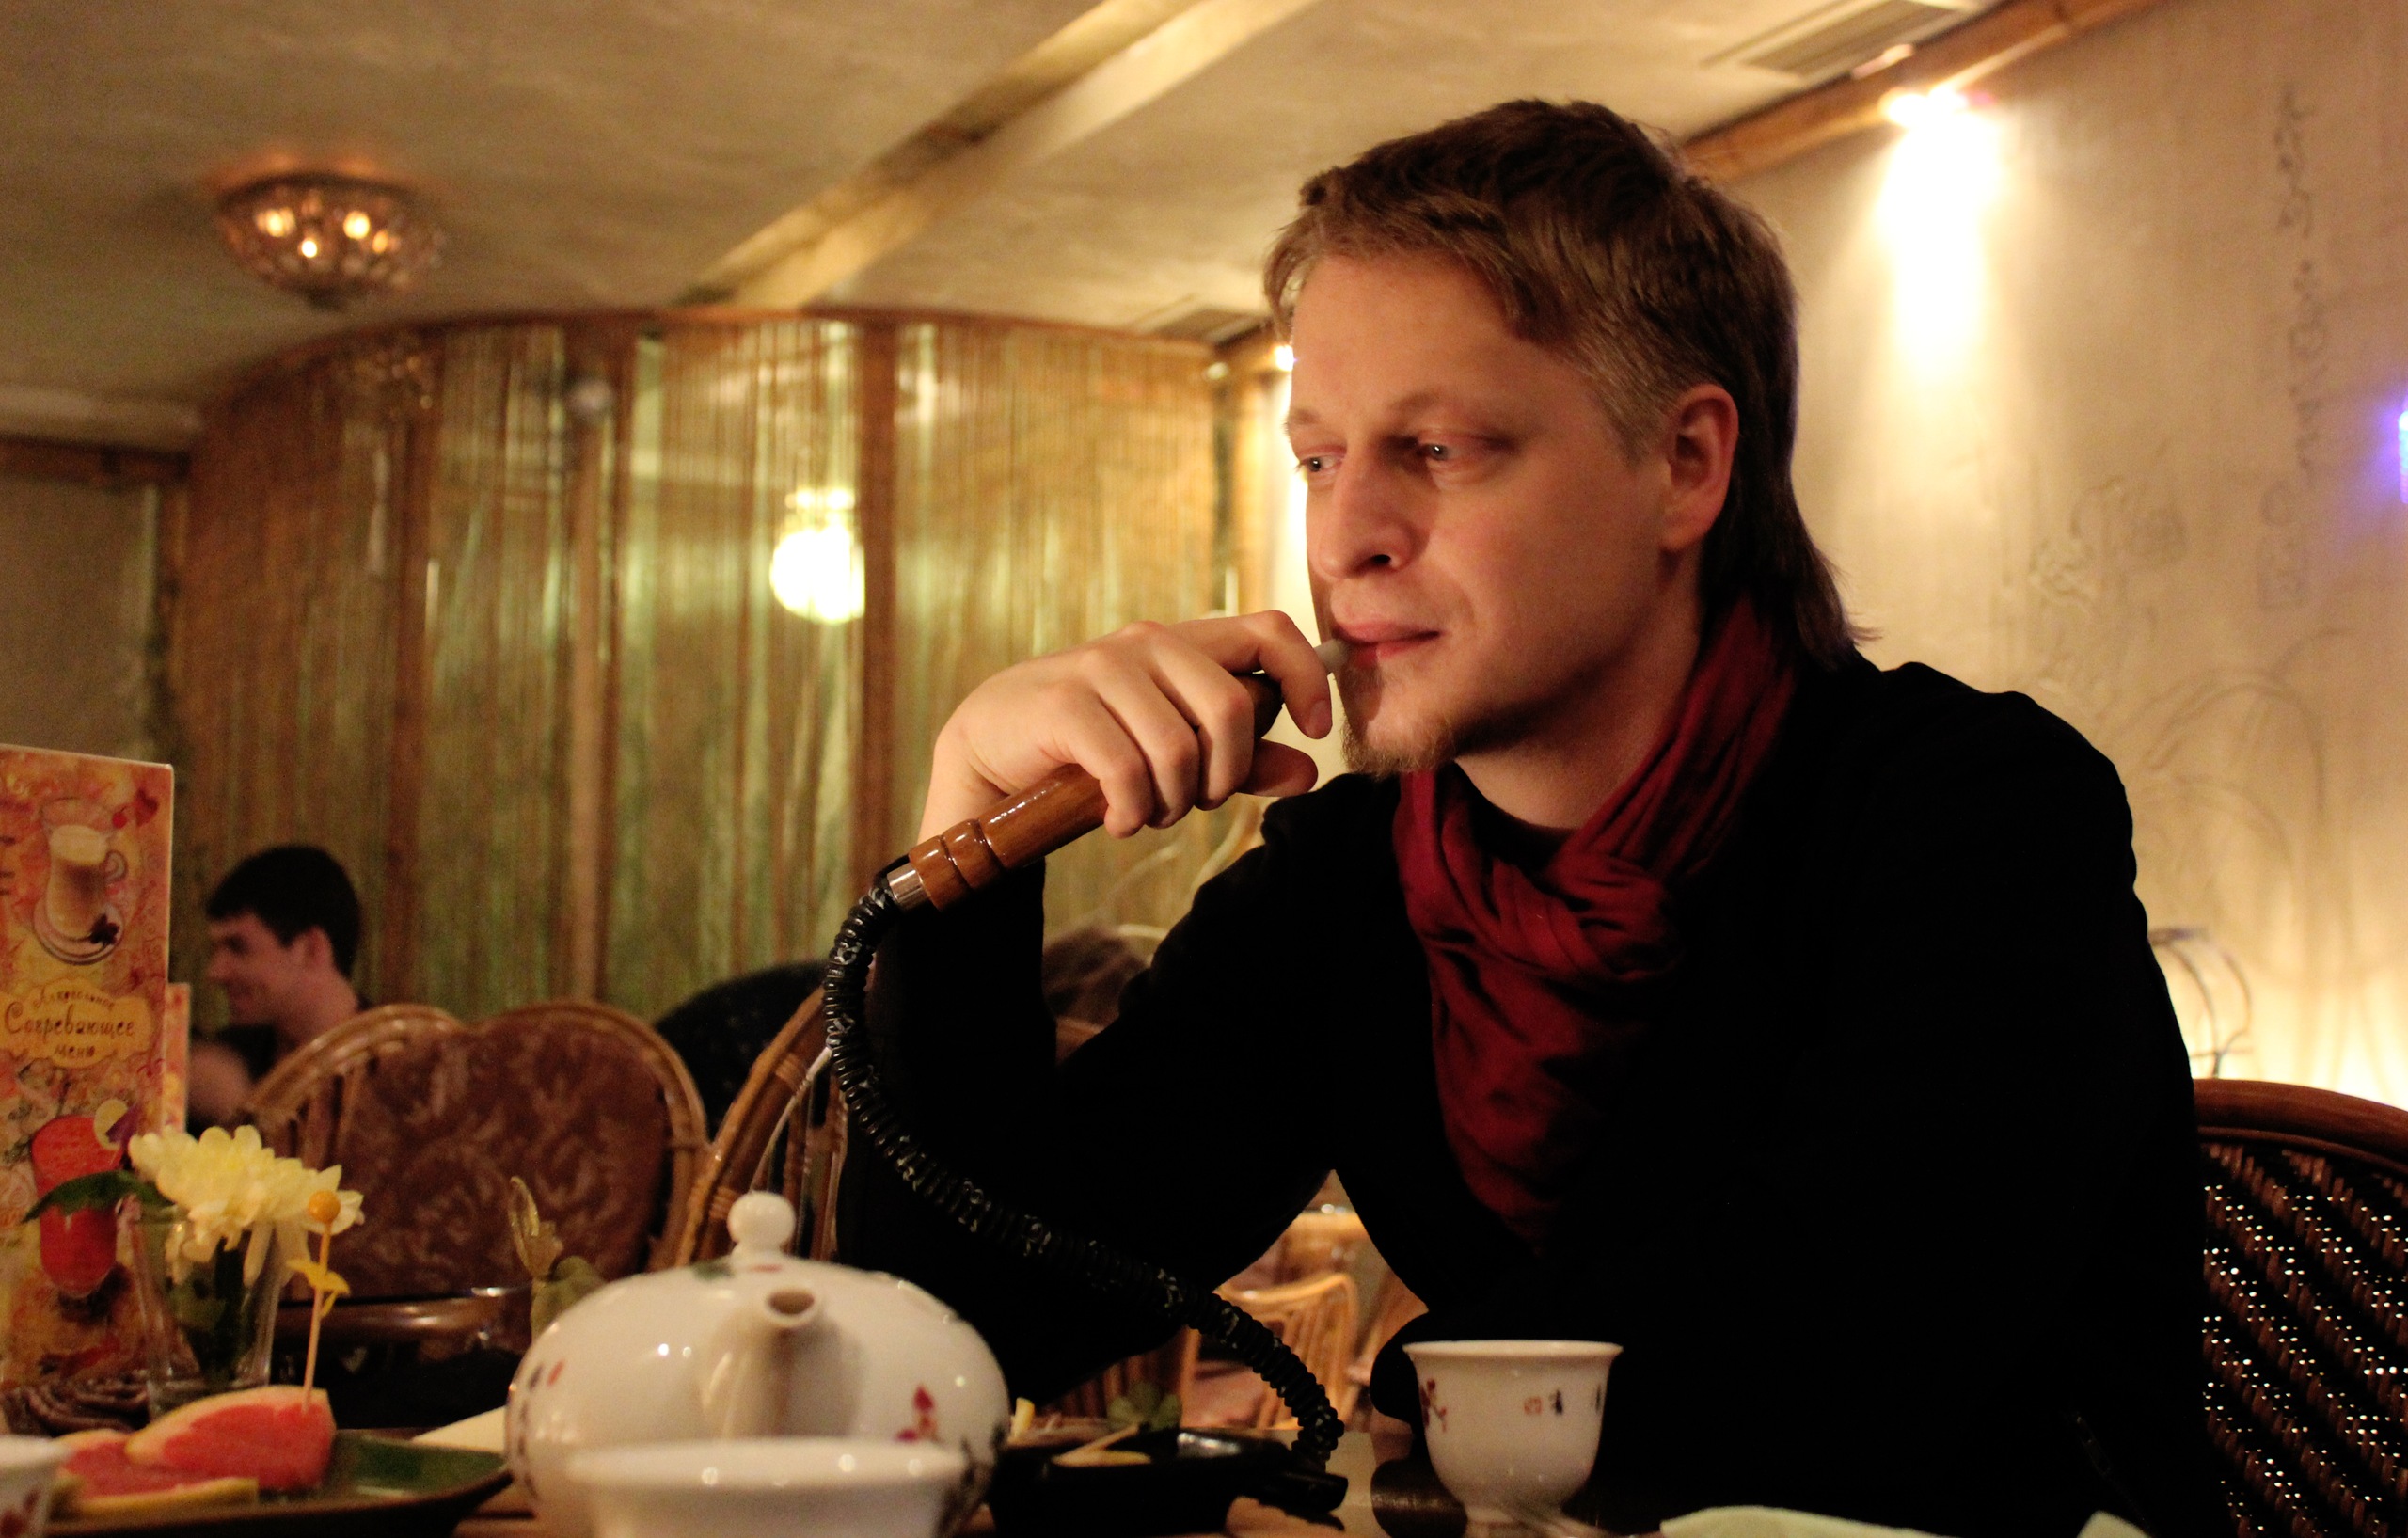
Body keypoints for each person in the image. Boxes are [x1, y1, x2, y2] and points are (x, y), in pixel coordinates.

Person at [840, 101, 2211, 1535]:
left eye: (1438, 447)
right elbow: (961, 1333)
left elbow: (1846, 1353)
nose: (1345, 536)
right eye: (1320, 458)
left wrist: (1421, 1381)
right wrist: (967, 847)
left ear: (1686, 463)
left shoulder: (1972, 813)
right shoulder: (1351, 880)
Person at [187, 845, 366, 1127]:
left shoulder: (399, 1064)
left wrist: (241, 1112)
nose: (215, 972)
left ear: (312, 949)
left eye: (238, 947)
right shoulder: (228, 1059)